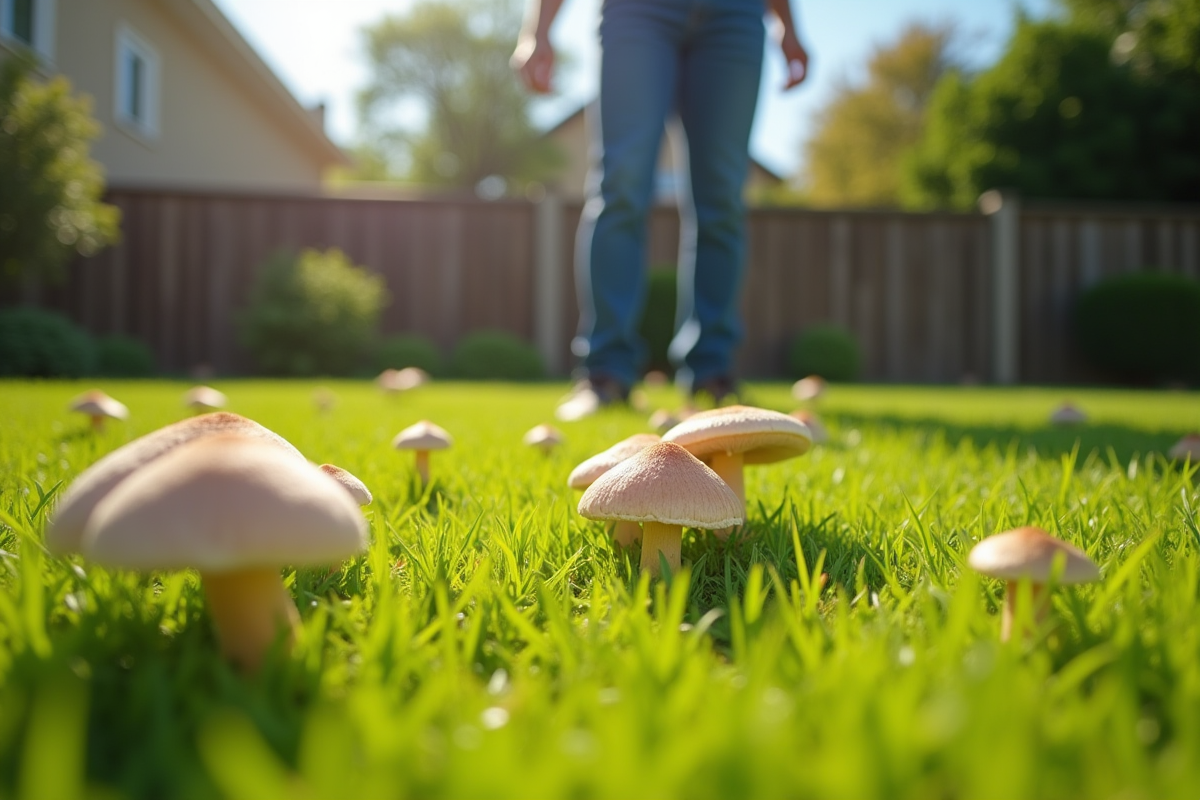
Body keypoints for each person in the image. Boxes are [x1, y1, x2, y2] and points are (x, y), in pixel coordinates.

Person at [513, 0, 809, 420]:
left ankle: (713, 375)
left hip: (735, 15)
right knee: (621, 186)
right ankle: (605, 373)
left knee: (722, 198)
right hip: (638, 12)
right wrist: (537, 30)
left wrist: (788, 27)